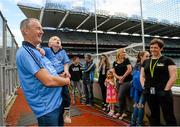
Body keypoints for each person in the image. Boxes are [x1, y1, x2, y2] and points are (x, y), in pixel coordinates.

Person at [16, 18, 70, 126]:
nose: (42, 31)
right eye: (38, 28)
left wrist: (59, 75)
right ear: (25, 30)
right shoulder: (27, 52)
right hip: (48, 108)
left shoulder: (36, 51)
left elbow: (48, 73)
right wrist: (66, 80)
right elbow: (48, 81)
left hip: (55, 104)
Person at [140, 38, 177, 126]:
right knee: (154, 115)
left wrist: (166, 90)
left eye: (156, 47)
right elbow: (142, 75)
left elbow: (174, 76)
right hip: (149, 92)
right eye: (151, 47)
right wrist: (144, 86)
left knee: (168, 116)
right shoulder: (146, 61)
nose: (153, 49)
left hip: (163, 92)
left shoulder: (168, 60)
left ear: (161, 48)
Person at [38, 36, 72, 123]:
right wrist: (39, 49)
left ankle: (67, 112)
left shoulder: (63, 52)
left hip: (61, 75)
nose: (57, 40)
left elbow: (65, 63)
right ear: (50, 44)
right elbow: (35, 49)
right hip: (52, 76)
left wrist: (66, 72)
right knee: (54, 95)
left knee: (66, 95)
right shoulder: (47, 50)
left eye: (59, 40)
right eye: (54, 39)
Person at [130, 51, 150, 126]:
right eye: (147, 56)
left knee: (140, 106)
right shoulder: (137, 65)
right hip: (137, 89)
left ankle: (139, 124)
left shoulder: (149, 64)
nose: (148, 58)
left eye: (149, 56)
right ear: (141, 57)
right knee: (136, 106)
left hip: (144, 89)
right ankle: (132, 123)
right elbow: (135, 77)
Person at [112, 48, 132, 120]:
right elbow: (113, 72)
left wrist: (122, 77)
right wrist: (119, 78)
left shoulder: (126, 60)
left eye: (125, 52)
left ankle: (120, 112)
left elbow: (129, 69)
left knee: (120, 96)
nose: (125, 53)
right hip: (119, 81)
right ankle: (124, 112)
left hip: (127, 81)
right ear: (119, 53)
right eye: (123, 52)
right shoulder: (115, 62)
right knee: (121, 97)